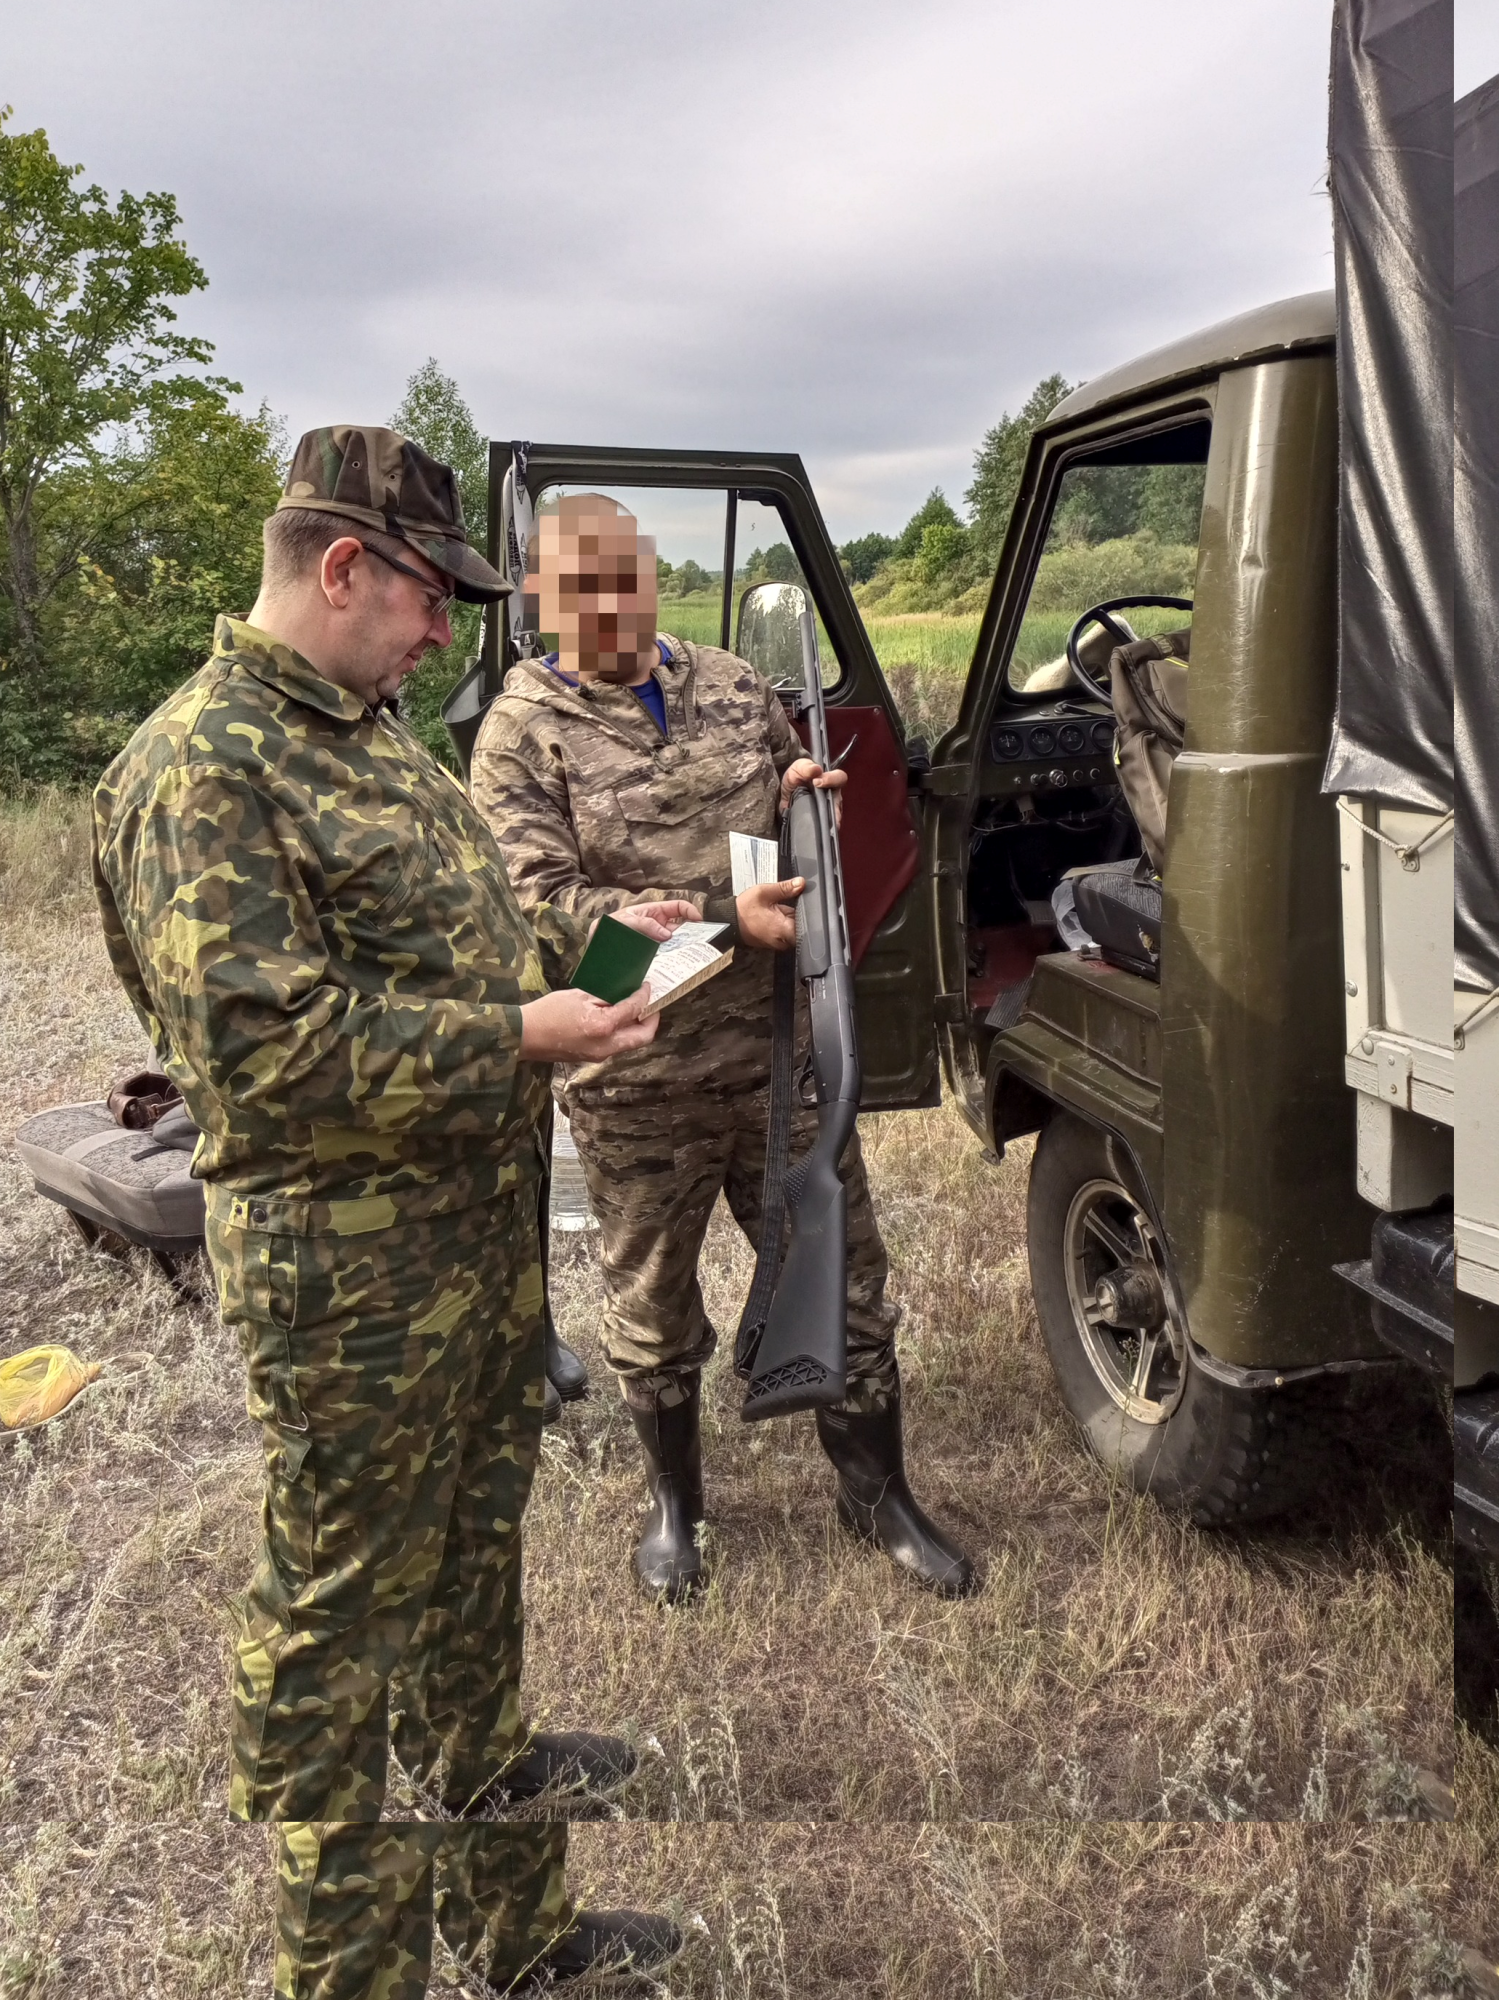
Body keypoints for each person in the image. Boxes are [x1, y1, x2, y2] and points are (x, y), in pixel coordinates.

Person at [92, 431, 686, 1995]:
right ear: (343, 567)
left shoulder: (362, 732)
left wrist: (595, 938)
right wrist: (516, 1038)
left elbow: (471, 939)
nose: (445, 637)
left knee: (469, 1581)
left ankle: (517, 1937)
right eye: (432, 602)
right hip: (349, 1302)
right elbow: (262, 1052)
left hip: (466, 1275)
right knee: (338, 1642)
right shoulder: (202, 766)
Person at [470, 492, 976, 1603]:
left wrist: (799, 798)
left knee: (845, 1284)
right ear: (544, 603)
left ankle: (878, 1494)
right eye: (585, 594)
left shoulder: (732, 683)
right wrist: (717, 911)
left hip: (773, 1052)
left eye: (628, 580)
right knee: (652, 1309)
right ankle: (675, 1505)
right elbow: (540, 908)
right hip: (631, 1070)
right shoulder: (520, 731)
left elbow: (781, 803)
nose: (616, 611)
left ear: (650, 570)